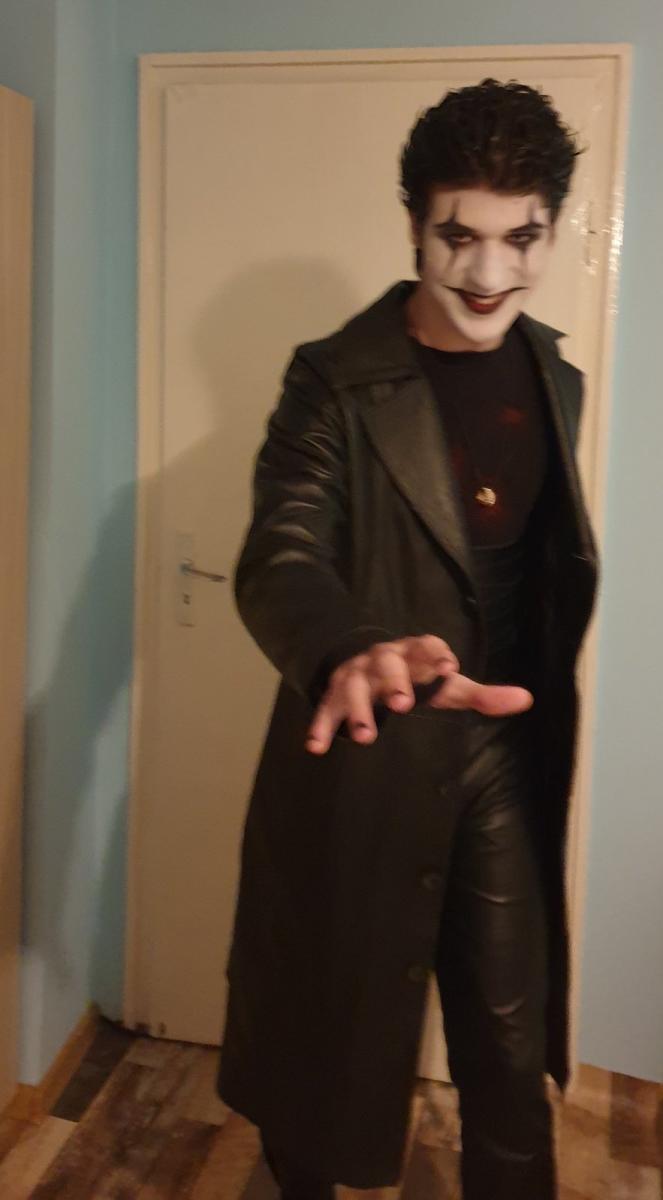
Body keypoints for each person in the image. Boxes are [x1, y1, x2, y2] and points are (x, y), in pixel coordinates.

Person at [216, 78, 600, 1199]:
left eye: (520, 238)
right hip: (368, 754)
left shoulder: (557, 377)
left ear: (552, 229)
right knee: (323, 1042)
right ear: (412, 224)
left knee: (510, 1052)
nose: (488, 273)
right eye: (457, 235)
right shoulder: (332, 380)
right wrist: (346, 647)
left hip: (504, 757)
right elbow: (282, 549)